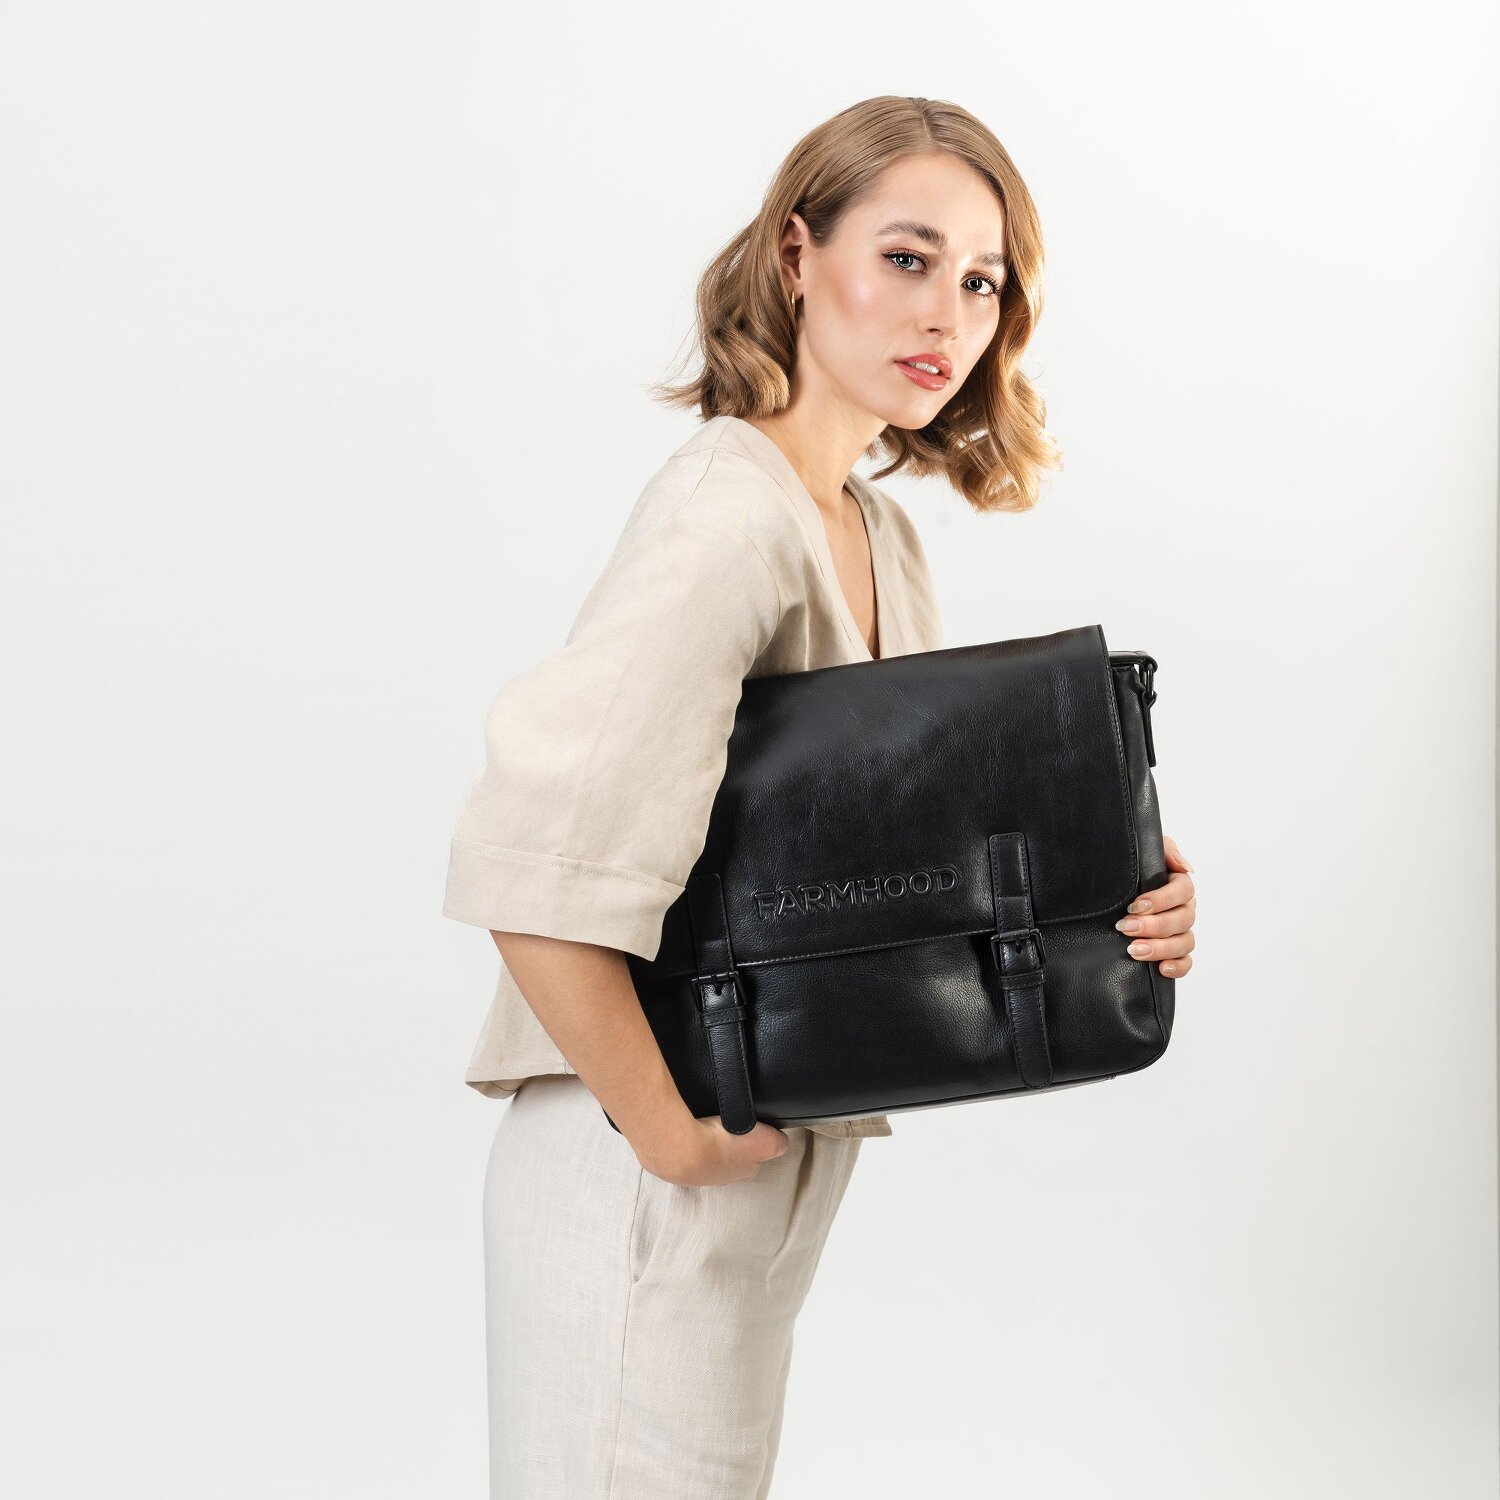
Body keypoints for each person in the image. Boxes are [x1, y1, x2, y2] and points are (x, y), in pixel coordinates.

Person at [442, 94, 1198, 1499]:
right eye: (907, 258)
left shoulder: (873, 530)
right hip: (638, 1152)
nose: (949, 312)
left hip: (745, 1149)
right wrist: (668, 1137)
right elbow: (527, 862)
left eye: (983, 281)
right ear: (797, 255)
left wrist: (1122, 888)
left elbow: (881, 855)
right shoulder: (728, 517)